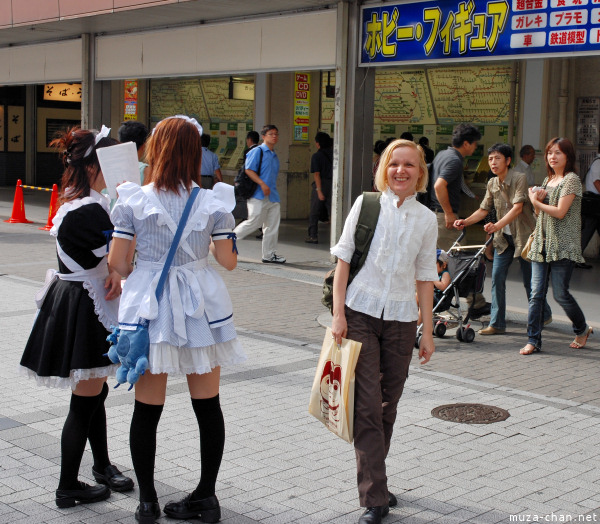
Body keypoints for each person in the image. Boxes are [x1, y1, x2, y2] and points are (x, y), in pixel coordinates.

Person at [108, 115, 246, 523]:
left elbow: (118, 263)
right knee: (208, 406)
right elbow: (228, 262)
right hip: (201, 307)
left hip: (151, 309)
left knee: (147, 408)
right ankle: (206, 497)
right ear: (194, 154)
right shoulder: (214, 202)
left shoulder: (131, 199)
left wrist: (146, 269)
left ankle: (147, 501)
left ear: (155, 150)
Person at [19, 126, 135, 508]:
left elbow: (107, 262)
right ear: (91, 168)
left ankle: (101, 466)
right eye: (108, 162)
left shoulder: (79, 202)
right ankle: (68, 485)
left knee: (93, 390)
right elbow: (121, 259)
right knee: (85, 399)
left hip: (80, 300)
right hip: (84, 306)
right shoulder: (89, 209)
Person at [331, 139, 437, 524]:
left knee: (388, 405)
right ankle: (374, 497)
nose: (401, 171)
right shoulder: (367, 204)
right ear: (384, 168)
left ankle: (377, 477)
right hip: (359, 312)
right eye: (395, 164)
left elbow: (425, 277)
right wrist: (338, 315)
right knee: (368, 407)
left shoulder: (426, 219)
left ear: (420, 173)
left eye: (410, 165)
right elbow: (343, 260)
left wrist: (425, 332)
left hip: (401, 318)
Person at [454, 143, 552, 336]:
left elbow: (517, 208)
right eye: (490, 159)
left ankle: (543, 313)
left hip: (524, 237)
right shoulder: (492, 183)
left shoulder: (519, 178)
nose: (493, 162)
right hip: (503, 240)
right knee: (497, 278)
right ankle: (497, 323)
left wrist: (496, 226)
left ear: (508, 161)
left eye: (497, 158)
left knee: (529, 281)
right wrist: (465, 221)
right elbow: (483, 209)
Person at [521, 137, 593, 355]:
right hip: (541, 244)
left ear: (568, 156)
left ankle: (581, 329)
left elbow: (560, 212)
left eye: (558, 153)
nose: (553, 157)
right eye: (550, 152)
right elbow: (540, 214)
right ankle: (533, 340)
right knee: (536, 295)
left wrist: (535, 201)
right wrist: (538, 204)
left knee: (560, 294)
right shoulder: (547, 180)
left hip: (563, 245)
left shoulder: (571, 180)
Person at [430, 123, 489, 317]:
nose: (474, 148)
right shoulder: (454, 160)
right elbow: (440, 186)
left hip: (435, 215)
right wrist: (448, 213)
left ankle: (437, 301)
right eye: (474, 144)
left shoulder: (441, 155)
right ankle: (474, 303)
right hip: (444, 219)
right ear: (466, 143)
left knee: (439, 261)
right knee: (461, 261)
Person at [233, 124, 286, 264]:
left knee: (272, 226)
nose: (274, 136)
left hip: (272, 196)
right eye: (271, 134)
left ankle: (269, 255)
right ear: (263, 136)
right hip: (257, 195)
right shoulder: (258, 151)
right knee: (253, 221)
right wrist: (262, 184)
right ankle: (228, 240)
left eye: (276, 134)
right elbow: (249, 170)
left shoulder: (274, 155)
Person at [306, 131, 333, 244]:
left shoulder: (316, 156)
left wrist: (319, 190)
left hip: (321, 184)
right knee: (333, 211)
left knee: (314, 212)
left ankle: (313, 236)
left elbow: (316, 174)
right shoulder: (334, 154)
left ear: (318, 144)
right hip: (333, 184)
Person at [578, 145, 600, 267]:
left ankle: (576, 256)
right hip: (594, 203)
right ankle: (576, 256)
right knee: (587, 230)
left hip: (594, 203)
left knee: (588, 230)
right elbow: (597, 182)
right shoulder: (598, 163)